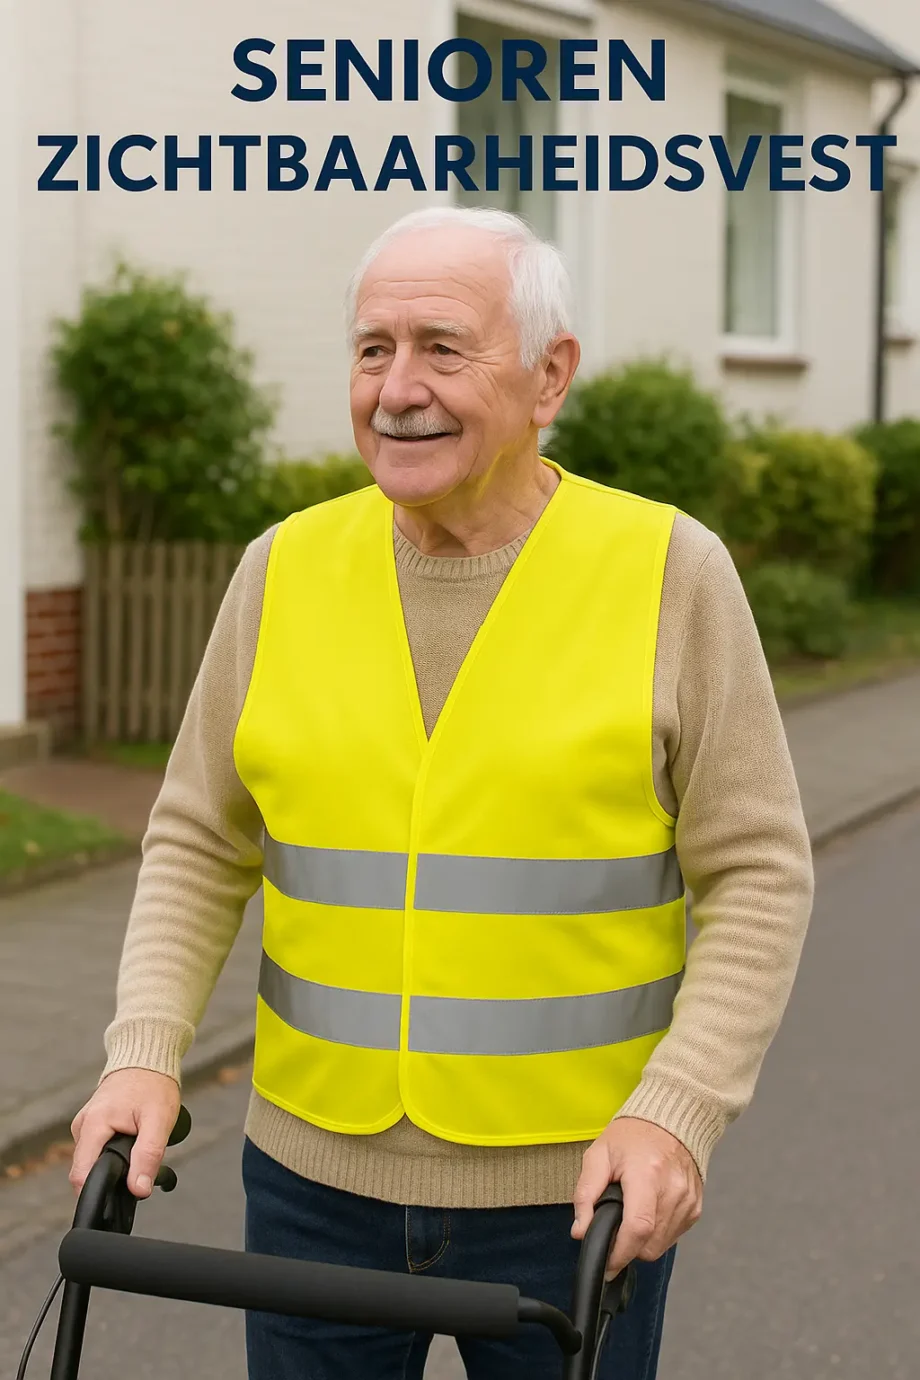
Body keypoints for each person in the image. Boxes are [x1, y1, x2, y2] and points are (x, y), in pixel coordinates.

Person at [69, 206, 814, 1380]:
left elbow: (759, 873)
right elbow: (199, 837)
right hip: (310, 1188)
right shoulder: (282, 568)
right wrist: (143, 1052)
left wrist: (675, 1114)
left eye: (440, 347)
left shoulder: (669, 573)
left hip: (572, 1198)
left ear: (548, 375)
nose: (395, 388)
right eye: (372, 349)